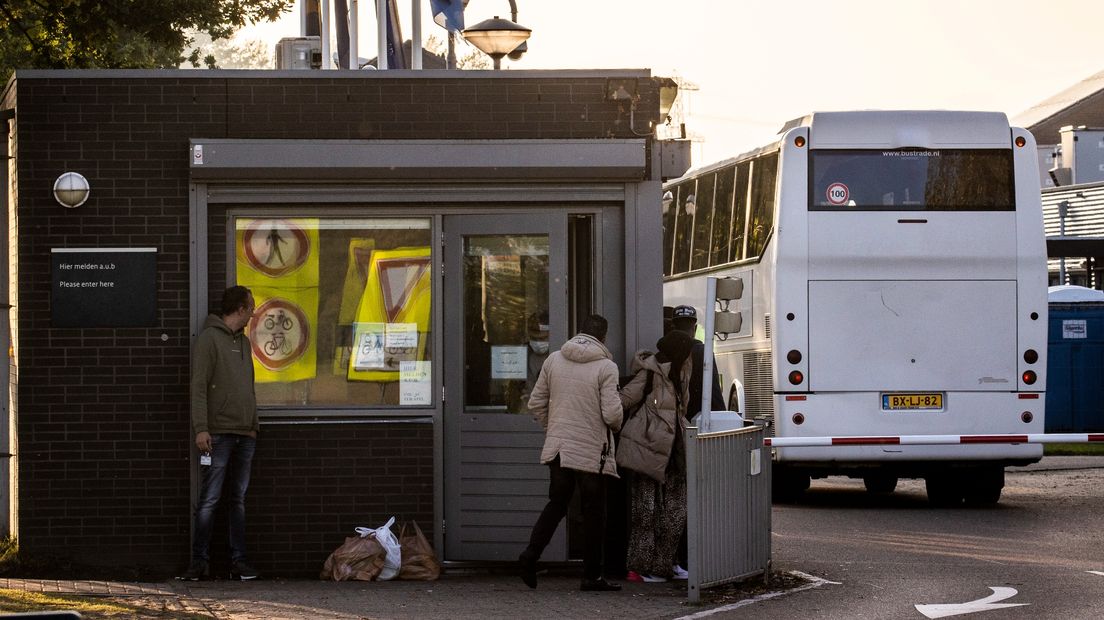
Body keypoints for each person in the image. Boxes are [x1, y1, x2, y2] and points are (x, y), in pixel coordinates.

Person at [519, 314, 624, 592]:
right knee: (594, 512)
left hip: (559, 448)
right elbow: (612, 414)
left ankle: (530, 555)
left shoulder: (554, 359)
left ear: (579, 332)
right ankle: (591, 576)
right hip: (591, 449)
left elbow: (536, 401)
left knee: (557, 503)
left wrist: (552, 427)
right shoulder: (606, 367)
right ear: (603, 337)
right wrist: (616, 424)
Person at [179, 286, 261, 581]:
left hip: (244, 433)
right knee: (211, 498)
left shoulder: (246, 343)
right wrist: (201, 428)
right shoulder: (209, 340)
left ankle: (238, 562)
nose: (253, 312)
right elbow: (198, 387)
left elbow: (248, 386)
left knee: (237, 500)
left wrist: (252, 426)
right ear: (240, 308)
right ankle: (199, 561)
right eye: (251, 307)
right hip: (219, 434)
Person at [618, 329, 695, 583]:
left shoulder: (681, 373)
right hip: (647, 450)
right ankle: (639, 569)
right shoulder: (650, 373)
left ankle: (664, 564)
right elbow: (624, 400)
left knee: (675, 511)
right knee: (646, 512)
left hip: (673, 453)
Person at [670, 304, 724, 575]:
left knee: (673, 499)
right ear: (693, 326)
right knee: (695, 496)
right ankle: (690, 560)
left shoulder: (662, 352)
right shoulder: (701, 351)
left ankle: (673, 558)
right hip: (695, 429)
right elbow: (713, 392)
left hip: (668, 434)